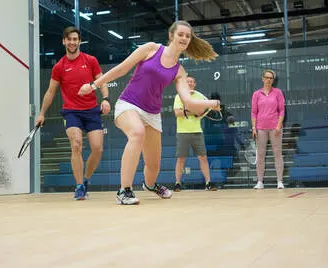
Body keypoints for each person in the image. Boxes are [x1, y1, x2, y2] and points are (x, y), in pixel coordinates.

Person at [78, 20, 220, 205]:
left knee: (153, 166)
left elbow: (188, 101)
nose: (184, 38)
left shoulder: (179, 71)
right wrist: (93, 85)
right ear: (171, 36)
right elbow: (122, 68)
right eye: (181, 34)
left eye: (188, 36)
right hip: (128, 104)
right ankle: (124, 191)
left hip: (152, 114)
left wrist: (211, 102)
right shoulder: (151, 49)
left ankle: (150, 185)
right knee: (137, 133)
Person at [36, 26, 111, 200]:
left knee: (97, 149)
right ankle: (78, 187)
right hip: (71, 112)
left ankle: (85, 180)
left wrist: (106, 99)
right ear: (64, 41)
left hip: (92, 111)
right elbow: (50, 92)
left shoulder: (90, 60)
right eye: (69, 39)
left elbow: (103, 81)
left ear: (79, 41)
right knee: (76, 144)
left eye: (75, 39)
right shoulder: (59, 67)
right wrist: (41, 113)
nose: (72, 42)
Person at [173, 75, 217, 192]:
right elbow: (177, 112)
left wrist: (187, 110)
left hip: (197, 132)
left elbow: (201, 111)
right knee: (181, 158)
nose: (190, 83)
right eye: (188, 82)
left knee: (203, 157)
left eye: (192, 82)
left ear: (195, 84)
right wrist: (193, 109)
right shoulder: (179, 96)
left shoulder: (199, 96)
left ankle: (208, 183)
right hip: (182, 132)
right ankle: (177, 183)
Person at [251, 69, 285, 189]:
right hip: (260, 129)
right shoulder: (256, 94)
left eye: (271, 78)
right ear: (262, 78)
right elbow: (254, 112)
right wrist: (254, 127)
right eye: (267, 77)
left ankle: (280, 181)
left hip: (275, 128)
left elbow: (281, 111)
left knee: (277, 154)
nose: (269, 80)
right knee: (260, 155)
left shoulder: (278, 92)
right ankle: (260, 182)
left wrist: (278, 125)